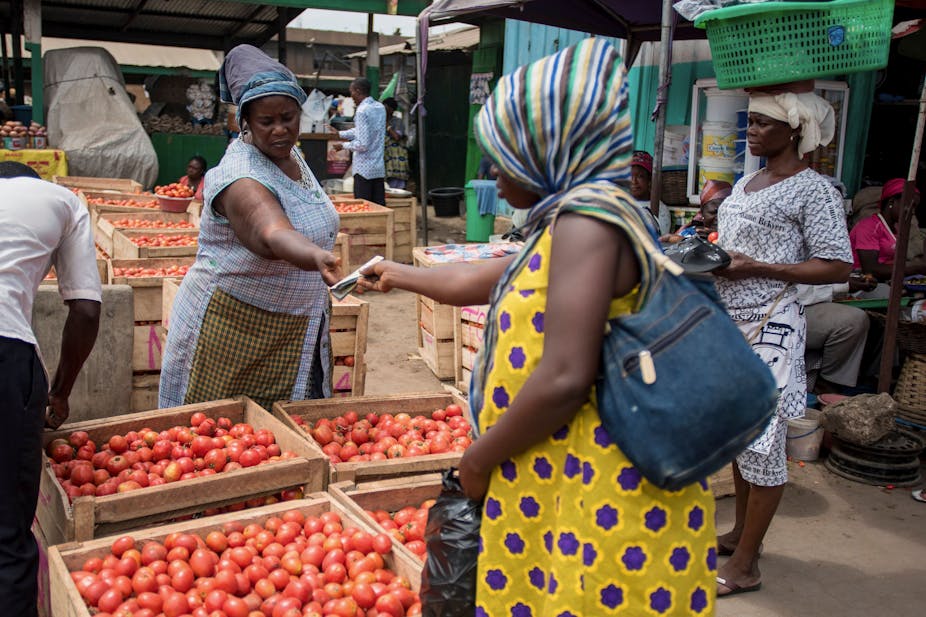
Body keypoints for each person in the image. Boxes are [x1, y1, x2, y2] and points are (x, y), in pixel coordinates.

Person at [359, 39, 716, 616]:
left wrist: (478, 461)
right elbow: (495, 277)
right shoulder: (576, 223)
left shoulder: (589, 226)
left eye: (504, 157)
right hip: (564, 476)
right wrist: (398, 273)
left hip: (603, 487)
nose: (492, 174)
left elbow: (565, 378)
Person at [712, 89, 853, 597]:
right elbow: (734, 247)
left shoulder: (815, 191)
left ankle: (747, 564)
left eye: (762, 124)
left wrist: (761, 267)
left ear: (794, 131)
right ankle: (738, 535)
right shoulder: (748, 182)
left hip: (771, 324)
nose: (750, 131)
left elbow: (837, 264)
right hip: (730, 322)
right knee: (737, 433)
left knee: (763, 439)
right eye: (748, 122)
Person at [159, 45, 342, 411]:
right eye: (266, 122)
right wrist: (316, 256)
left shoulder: (293, 157)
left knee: (285, 448)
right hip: (231, 329)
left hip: (294, 328)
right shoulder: (238, 175)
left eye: (289, 118)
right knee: (217, 438)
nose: (280, 130)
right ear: (245, 122)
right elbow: (271, 233)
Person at [0, 161, 101, 617]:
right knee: (6, 530)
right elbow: (84, 310)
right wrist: (58, 393)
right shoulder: (61, 200)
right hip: (5, 352)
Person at [798, 280, 873, 394]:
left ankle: (863, 380)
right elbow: (798, 293)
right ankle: (824, 385)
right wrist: (842, 287)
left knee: (875, 322)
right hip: (783, 309)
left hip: (805, 299)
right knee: (852, 322)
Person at [850, 178, 925, 284]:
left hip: (885, 281)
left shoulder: (897, 228)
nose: (912, 212)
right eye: (909, 206)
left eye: (915, 208)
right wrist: (916, 268)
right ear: (891, 202)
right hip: (863, 283)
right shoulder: (869, 227)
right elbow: (870, 269)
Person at [334, 78, 386, 205]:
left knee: (364, 207)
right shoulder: (380, 107)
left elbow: (362, 144)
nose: (351, 96)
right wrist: (340, 133)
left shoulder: (362, 111)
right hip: (378, 169)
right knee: (379, 208)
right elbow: (363, 131)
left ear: (357, 91)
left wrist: (343, 145)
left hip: (364, 170)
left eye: (351, 92)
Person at [661, 179, 730, 244]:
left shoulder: (733, 235)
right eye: (713, 212)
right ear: (703, 212)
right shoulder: (692, 233)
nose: (719, 217)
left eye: (725, 213)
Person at [630, 150, 671, 234]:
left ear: (650, 180)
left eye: (640, 176)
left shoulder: (661, 210)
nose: (634, 181)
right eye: (630, 176)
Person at [382, 97, 409, 190]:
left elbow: (396, 137)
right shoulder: (378, 121)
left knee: (397, 185)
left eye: (385, 108)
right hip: (384, 157)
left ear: (391, 110)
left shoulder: (397, 122)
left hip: (397, 158)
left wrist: (387, 126)